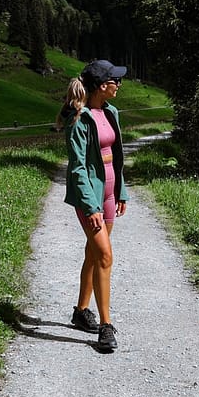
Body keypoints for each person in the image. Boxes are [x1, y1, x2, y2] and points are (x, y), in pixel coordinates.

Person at [63, 59, 128, 352]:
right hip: (90, 198)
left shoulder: (111, 112)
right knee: (104, 255)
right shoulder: (80, 118)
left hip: (110, 194)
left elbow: (117, 155)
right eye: (116, 80)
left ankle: (80, 312)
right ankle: (105, 325)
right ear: (103, 86)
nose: (119, 85)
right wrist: (90, 207)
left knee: (93, 253)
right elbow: (78, 169)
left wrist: (122, 191)